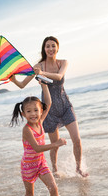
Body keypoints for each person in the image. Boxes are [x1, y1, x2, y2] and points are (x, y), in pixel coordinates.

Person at [11, 36, 88, 177]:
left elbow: (59, 76)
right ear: (44, 49)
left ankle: (78, 168)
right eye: (48, 46)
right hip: (48, 109)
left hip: (65, 105)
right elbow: (22, 85)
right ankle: (54, 169)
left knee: (77, 139)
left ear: (57, 47)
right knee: (55, 144)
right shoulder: (39, 66)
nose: (51, 49)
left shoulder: (63, 62)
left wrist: (41, 73)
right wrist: (14, 79)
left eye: (53, 46)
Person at [10, 82, 67, 196]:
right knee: (30, 194)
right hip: (28, 166)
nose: (33, 114)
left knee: (53, 188)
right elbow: (36, 148)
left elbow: (48, 101)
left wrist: (44, 86)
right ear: (23, 114)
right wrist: (55, 144)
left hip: (41, 163)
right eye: (28, 111)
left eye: (36, 110)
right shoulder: (27, 130)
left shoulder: (41, 121)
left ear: (41, 110)